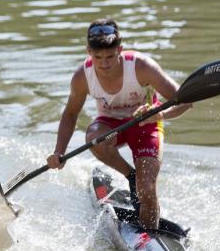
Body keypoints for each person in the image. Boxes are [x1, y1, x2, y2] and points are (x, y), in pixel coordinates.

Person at [46, 18, 192, 230]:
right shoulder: (82, 77)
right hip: (111, 126)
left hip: (146, 125)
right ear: (88, 52)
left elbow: (185, 100)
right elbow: (70, 114)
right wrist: (58, 152)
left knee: (147, 190)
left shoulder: (142, 67)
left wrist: (160, 115)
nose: (104, 64)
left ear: (120, 50)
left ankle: (148, 232)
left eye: (110, 56)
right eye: (97, 57)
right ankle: (130, 175)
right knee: (93, 137)